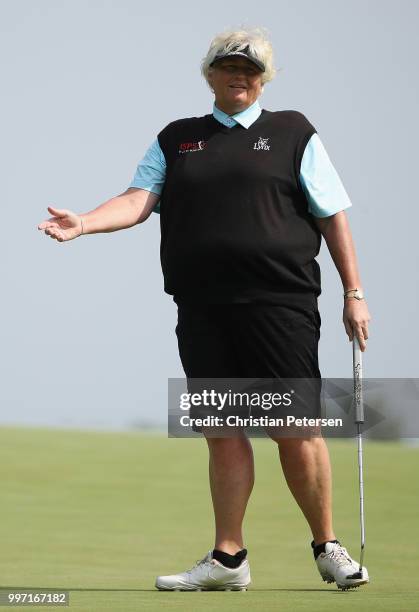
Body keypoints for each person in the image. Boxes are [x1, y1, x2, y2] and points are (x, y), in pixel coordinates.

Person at [38, 27, 371, 592]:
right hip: (203, 307)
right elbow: (137, 200)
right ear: (209, 74)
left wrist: (354, 292)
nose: (239, 75)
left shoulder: (293, 132)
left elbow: (331, 213)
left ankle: (327, 547)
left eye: (250, 68)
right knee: (222, 428)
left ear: (264, 79)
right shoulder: (178, 139)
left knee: (294, 426)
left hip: (280, 304)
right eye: (228, 67)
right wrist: (85, 224)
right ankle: (228, 559)